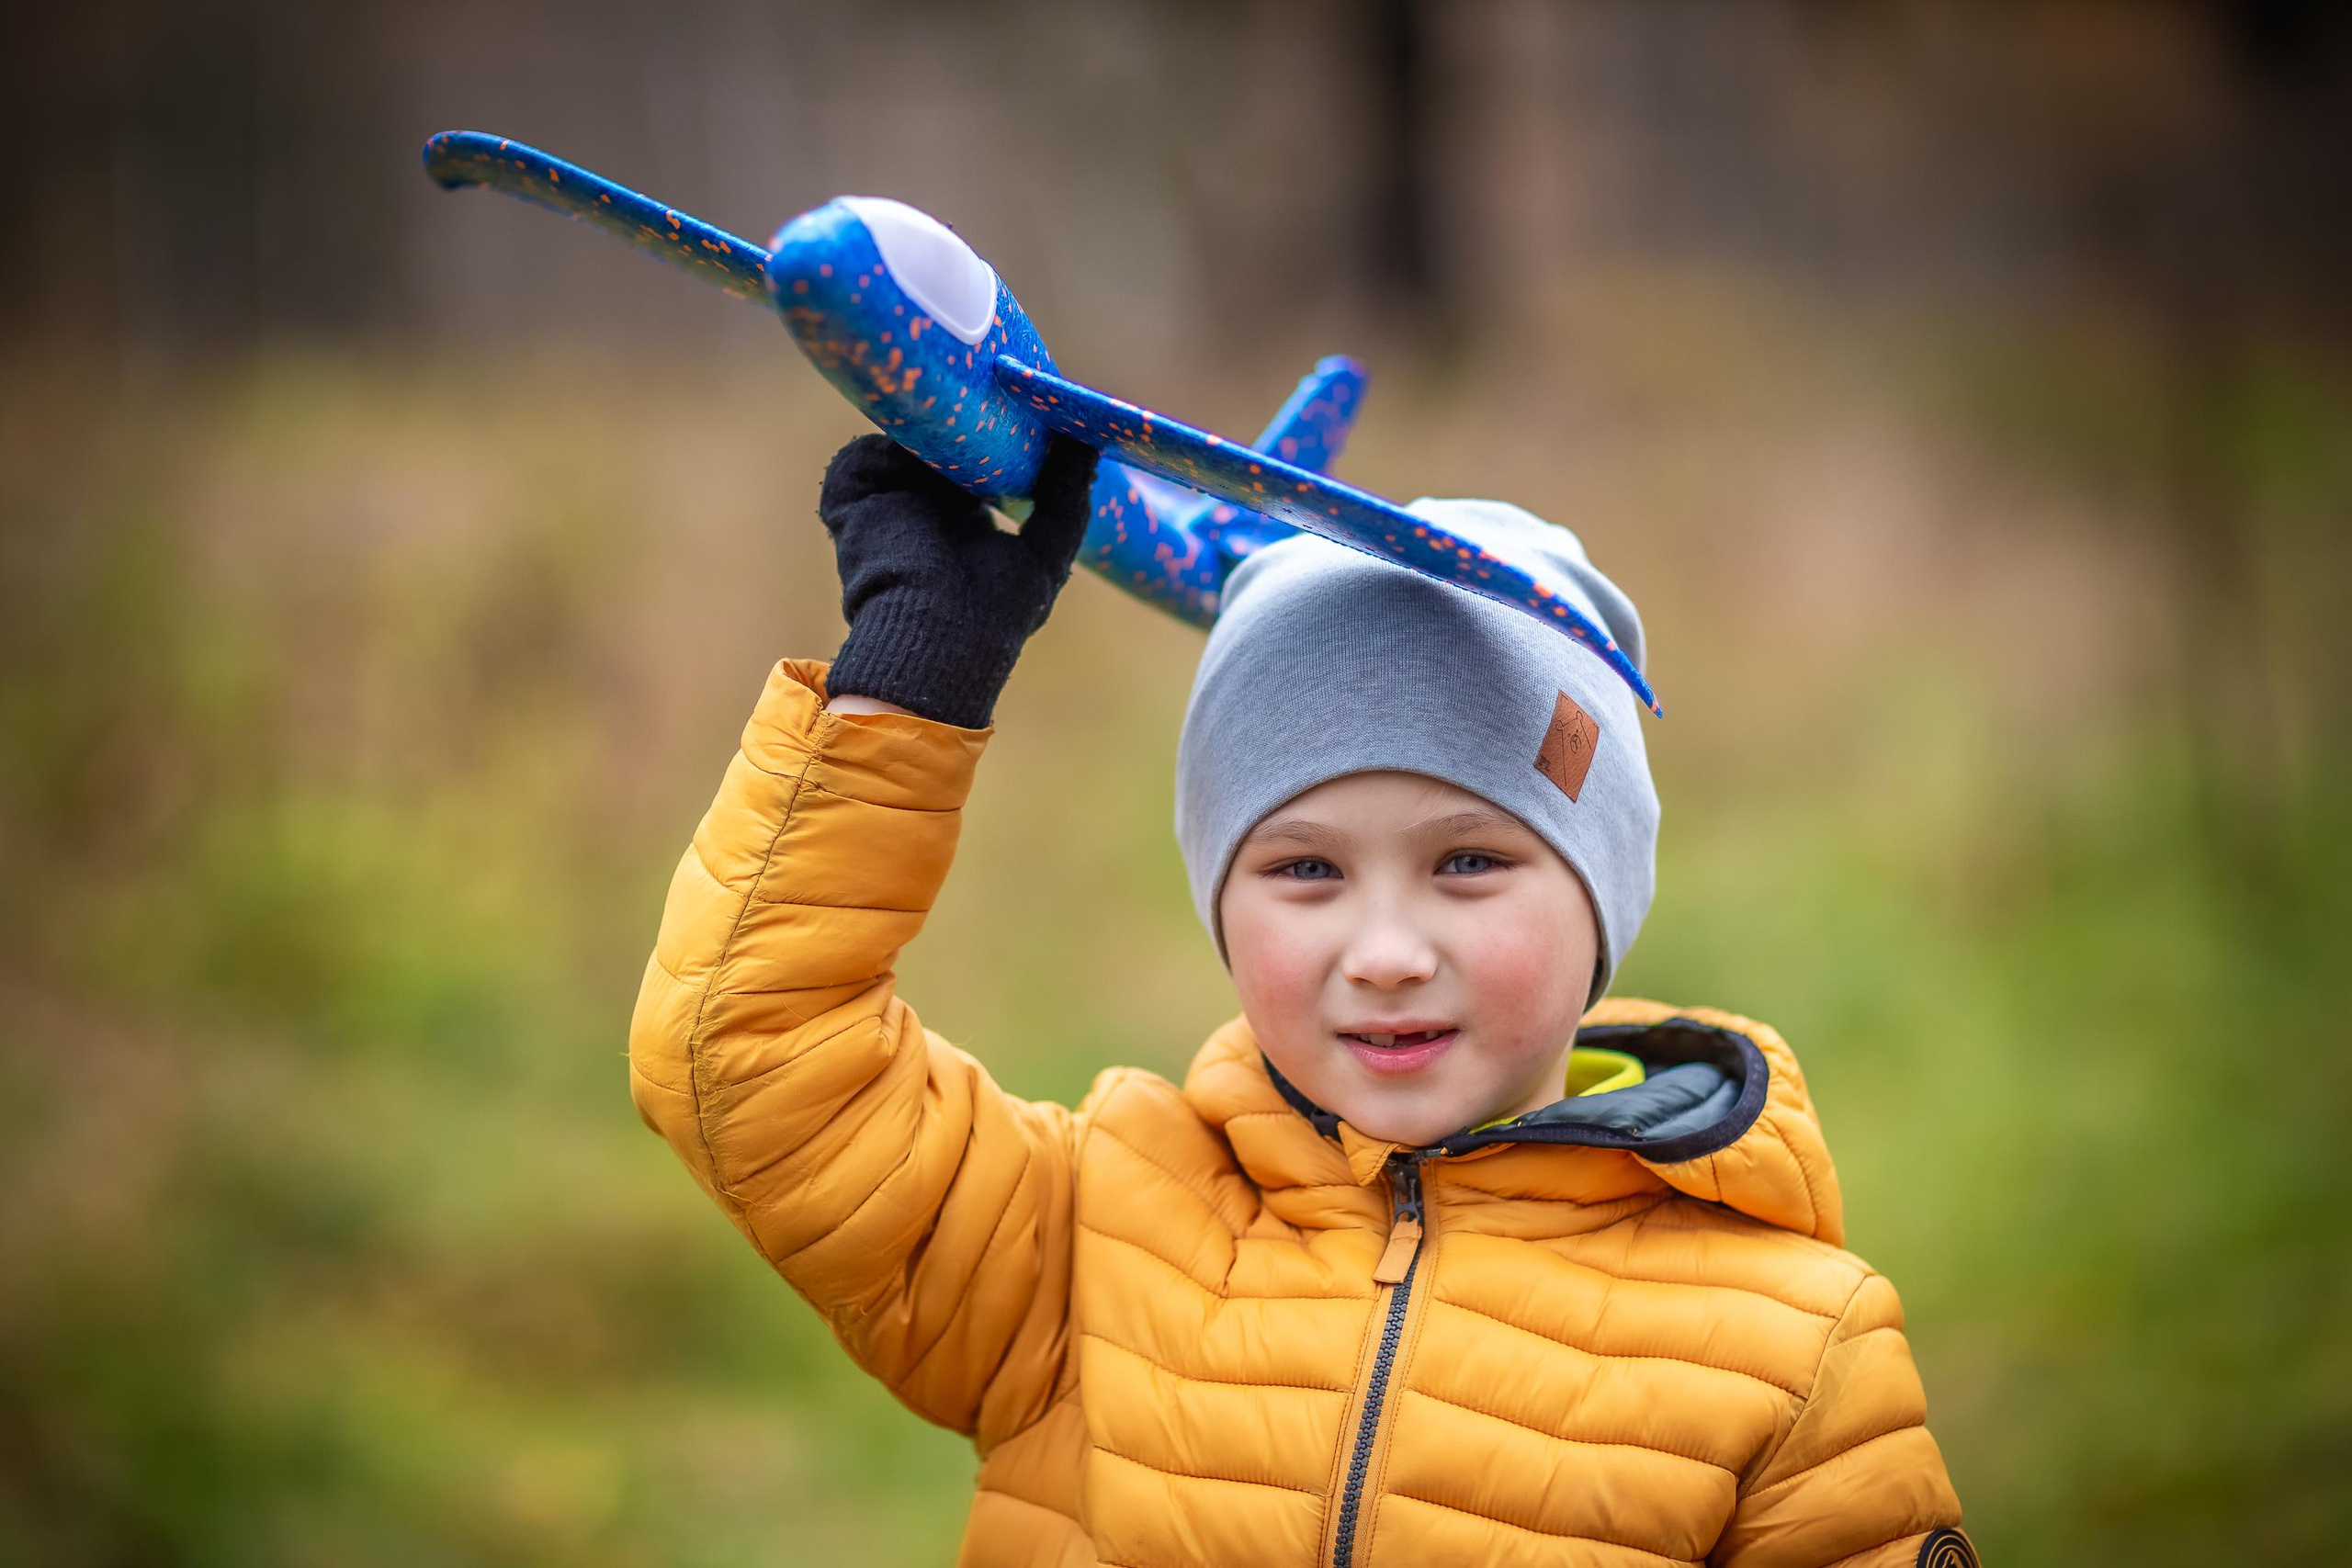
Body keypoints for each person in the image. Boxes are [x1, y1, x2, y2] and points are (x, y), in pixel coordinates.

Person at [627, 432, 1974, 1566]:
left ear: (1601, 902)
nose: (1384, 949)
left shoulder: (1796, 1357)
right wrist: (909, 687)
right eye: (1306, 869)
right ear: (1222, 905)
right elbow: (742, 1051)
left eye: (1468, 862)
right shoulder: (1089, 1240)